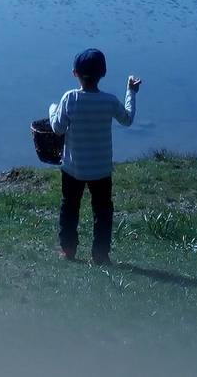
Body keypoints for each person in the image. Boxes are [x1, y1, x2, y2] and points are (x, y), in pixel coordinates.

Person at [47, 48, 139, 265]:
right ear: (103, 73)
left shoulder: (70, 98)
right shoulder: (109, 101)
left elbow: (58, 129)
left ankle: (68, 250)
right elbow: (127, 119)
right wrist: (131, 92)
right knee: (103, 211)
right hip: (101, 170)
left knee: (69, 208)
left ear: (74, 73)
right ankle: (100, 254)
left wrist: (52, 109)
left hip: (73, 168)